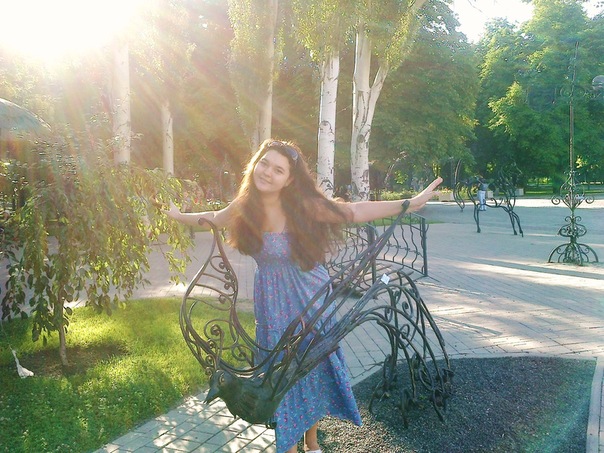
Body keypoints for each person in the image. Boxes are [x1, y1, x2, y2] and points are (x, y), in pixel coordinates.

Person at [165, 139, 442, 453]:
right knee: (279, 376)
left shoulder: (302, 206)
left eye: (278, 169)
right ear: (255, 164)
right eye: (264, 163)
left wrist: (408, 203)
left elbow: (352, 211)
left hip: (309, 300)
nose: (267, 172)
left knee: (311, 369)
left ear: (289, 179)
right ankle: (292, 444)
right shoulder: (246, 206)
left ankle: (311, 442)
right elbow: (214, 217)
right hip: (272, 307)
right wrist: (177, 216)